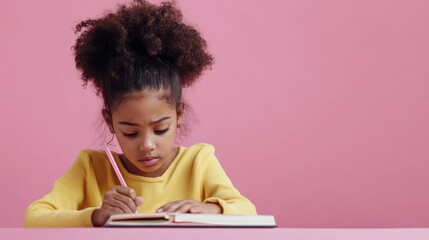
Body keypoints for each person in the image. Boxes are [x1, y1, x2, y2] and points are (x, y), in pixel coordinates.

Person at [24, 0, 256, 227]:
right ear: (110, 122)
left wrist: (210, 209)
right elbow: (33, 219)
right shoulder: (91, 168)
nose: (147, 145)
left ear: (179, 115)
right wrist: (96, 215)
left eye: (160, 129)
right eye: (130, 132)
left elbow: (248, 211)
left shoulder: (199, 162)